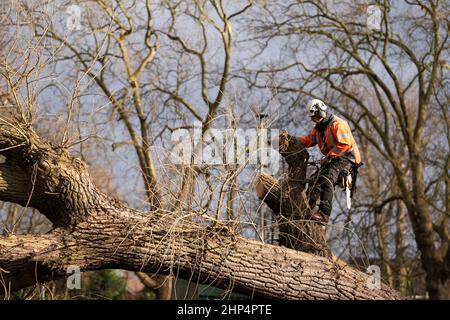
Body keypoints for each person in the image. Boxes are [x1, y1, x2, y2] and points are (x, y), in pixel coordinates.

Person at [298, 99, 361, 223]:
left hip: (348, 158)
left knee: (327, 178)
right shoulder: (318, 130)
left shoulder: (337, 124)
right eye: (312, 117)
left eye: (315, 116)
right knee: (314, 180)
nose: (313, 119)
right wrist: (290, 140)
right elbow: (307, 140)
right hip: (334, 158)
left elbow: (345, 144)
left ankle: (324, 214)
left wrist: (328, 156)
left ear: (320, 113)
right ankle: (306, 209)